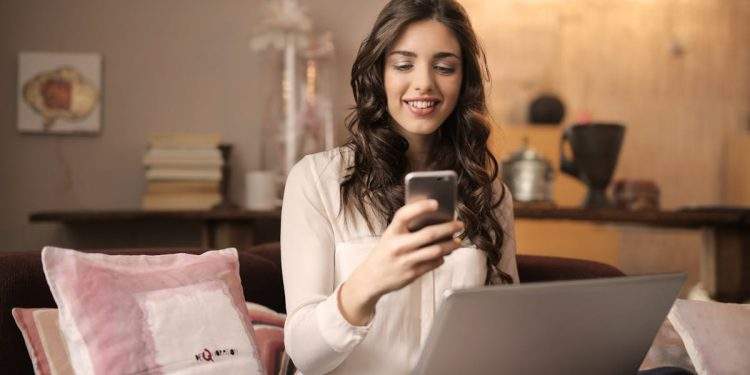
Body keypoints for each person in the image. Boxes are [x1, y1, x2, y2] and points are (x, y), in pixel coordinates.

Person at [280, 1, 516, 373]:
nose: (424, 82)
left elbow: (507, 331)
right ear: (379, 74)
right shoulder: (316, 180)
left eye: (444, 67)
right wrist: (369, 282)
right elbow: (304, 355)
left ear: (463, 80)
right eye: (403, 64)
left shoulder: (488, 192)